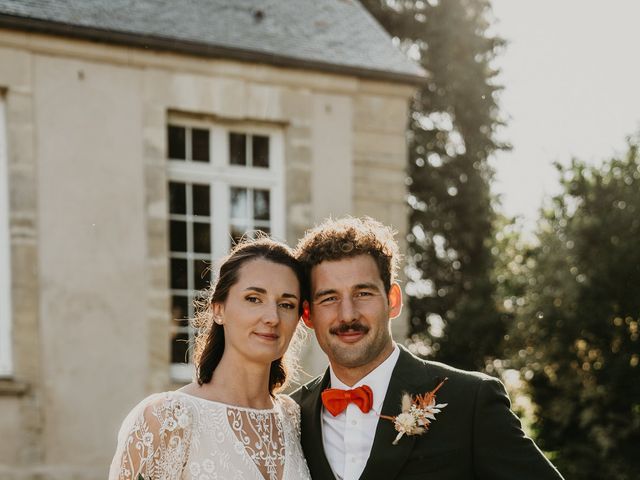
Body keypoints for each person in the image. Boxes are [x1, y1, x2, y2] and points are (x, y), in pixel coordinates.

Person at [291, 217, 564, 480]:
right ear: (308, 314)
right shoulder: (289, 416)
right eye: (329, 298)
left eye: (363, 293)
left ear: (393, 300)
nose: (348, 315)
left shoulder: (471, 402)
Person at [109, 237, 311, 480]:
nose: (272, 317)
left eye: (286, 304)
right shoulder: (169, 418)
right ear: (219, 310)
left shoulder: (293, 417)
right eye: (254, 299)